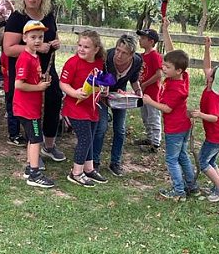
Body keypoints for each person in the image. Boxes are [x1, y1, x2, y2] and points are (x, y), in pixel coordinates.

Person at [4, 0, 65, 163]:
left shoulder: (48, 15)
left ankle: (49, 145)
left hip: (46, 69)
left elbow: (53, 36)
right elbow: (9, 48)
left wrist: (55, 43)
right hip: (25, 70)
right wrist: (37, 47)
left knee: (54, 100)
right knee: (31, 109)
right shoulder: (17, 17)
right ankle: (33, 152)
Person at [143, 19, 198, 201]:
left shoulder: (176, 89)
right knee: (182, 155)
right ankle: (192, 186)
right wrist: (165, 30)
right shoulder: (183, 76)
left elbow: (166, 108)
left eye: (167, 67)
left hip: (175, 128)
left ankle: (179, 191)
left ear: (178, 70)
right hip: (184, 125)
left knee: (171, 159)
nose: (163, 68)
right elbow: (172, 51)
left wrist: (150, 101)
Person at [60, 29, 108, 187]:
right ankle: (76, 173)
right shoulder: (72, 63)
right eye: (79, 45)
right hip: (75, 108)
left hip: (92, 107)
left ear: (96, 49)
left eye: (86, 47)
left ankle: (89, 169)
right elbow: (63, 83)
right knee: (85, 139)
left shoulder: (99, 63)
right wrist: (74, 93)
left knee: (91, 138)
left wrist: (104, 88)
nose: (81, 49)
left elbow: (100, 81)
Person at [92, 33, 143, 177]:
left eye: (124, 53)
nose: (119, 55)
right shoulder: (106, 57)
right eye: (118, 50)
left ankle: (116, 162)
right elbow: (96, 76)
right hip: (102, 95)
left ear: (131, 54)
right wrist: (101, 88)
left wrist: (138, 91)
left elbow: (134, 79)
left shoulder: (137, 61)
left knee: (120, 129)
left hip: (119, 97)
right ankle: (94, 161)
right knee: (101, 127)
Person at [190, 37, 219, 202]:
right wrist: (207, 48)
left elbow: (214, 117)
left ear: (213, 79)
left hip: (217, 134)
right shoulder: (216, 87)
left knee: (203, 161)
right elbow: (207, 66)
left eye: (212, 73)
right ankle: (218, 185)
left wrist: (199, 114)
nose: (208, 72)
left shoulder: (213, 96)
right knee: (212, 160)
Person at [12, 20, 55, 188]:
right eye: (33, 37)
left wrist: (42, 79)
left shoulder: (35, 56)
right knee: (37, 138)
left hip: (33, 107)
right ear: (24, 38)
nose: (37, 40)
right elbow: (19, 84)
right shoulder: (25, 58)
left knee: (33, 138)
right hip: (26, 108)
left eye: (41, 37)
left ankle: (30, 168)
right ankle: (35, 174)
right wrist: (39, 87)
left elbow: (32, 79)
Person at [0, 26, 24, 145]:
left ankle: (17, 133)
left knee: (16, 109)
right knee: (12, 110)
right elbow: (6, 71)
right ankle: (13, 135)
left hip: (15, 86)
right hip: (10, 87)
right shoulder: (8, 55)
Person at [136, 28, 163, 151]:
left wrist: (145, 84)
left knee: (153, 116)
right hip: (143, 91)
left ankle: (155, 142)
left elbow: (158, 74)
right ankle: (149, 138)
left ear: (151, 41)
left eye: (143, 38)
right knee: (145, 116)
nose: (140, 40)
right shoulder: (142, 56)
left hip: (152, 93)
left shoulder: (155, 55)